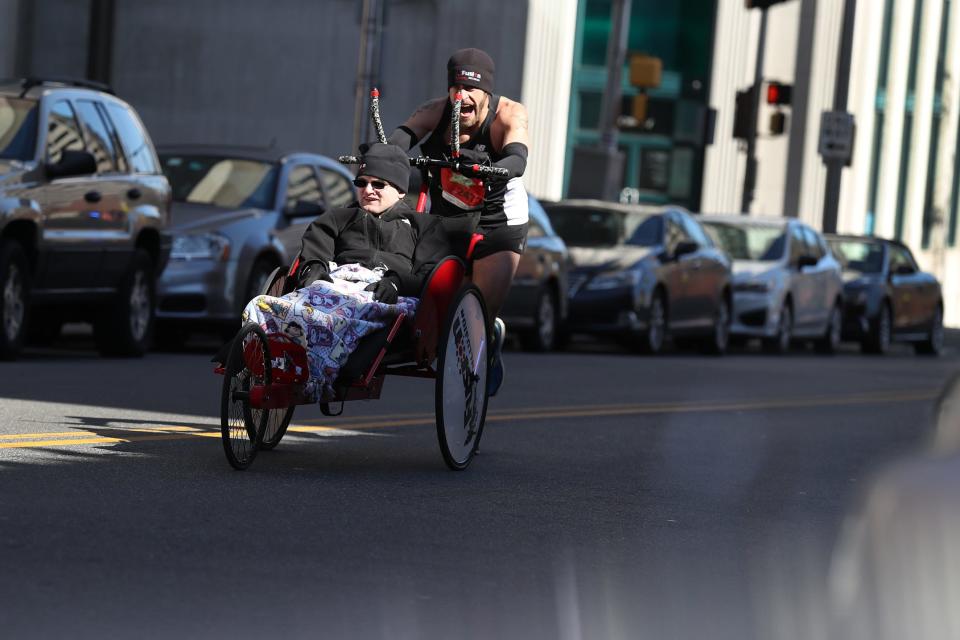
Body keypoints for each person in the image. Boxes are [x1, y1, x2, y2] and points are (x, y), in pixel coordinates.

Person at [234, 143, 448, 399]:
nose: (368, 190)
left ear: (401, 190)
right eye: (362, 183)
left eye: (378, 184)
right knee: (263, 304)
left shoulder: (424, 226)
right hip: (334, 283)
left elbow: (429, 273)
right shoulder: (339, 217)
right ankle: (267, 359)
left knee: (332, 315)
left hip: (384, 291)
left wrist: (396, 282)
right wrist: (313, 267)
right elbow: (316, 249)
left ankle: (314, 373)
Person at [384, 47, 530, 396]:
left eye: (471, 91)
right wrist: (384, 154)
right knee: (434, 301)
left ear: (487, 94)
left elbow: (517, 158)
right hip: (449, 217)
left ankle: (486, 345)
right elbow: (402, 138)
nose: (461, 97)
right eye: (456, 89)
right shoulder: (436, 112)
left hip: (498, 220)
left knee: (476, 314)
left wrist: (489, 167)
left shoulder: (509, 115)